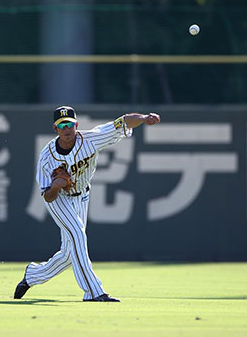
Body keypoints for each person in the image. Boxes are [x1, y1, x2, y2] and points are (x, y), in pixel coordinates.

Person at [14, 106, 161, 302]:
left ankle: (32, 275)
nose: (67, 129)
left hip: (82, 195)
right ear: (55, 129)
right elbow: (47, 196)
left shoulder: (91, 139)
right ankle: (93, 292)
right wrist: (56, 187)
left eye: (70, 124)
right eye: (62, 125)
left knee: (69, 255)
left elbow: (123, 122)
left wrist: (143, 118)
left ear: (77, 125)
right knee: (77, 234)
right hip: (59, 200)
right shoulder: (46, 157)